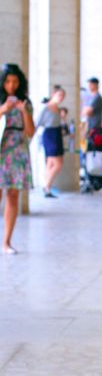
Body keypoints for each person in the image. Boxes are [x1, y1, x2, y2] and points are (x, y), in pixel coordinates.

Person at [0, 63, 36, 254]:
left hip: (18, 151)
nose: (11, 85)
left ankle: (6, 242)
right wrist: (3, 109)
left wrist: (24, 111)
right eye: (7, 81)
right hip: (0, 148)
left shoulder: (26, 103)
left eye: (15, 81)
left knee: (13, 196)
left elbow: (30, 132)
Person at [36, 85, 66, 198]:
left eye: (63, 96)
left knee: (50, 163)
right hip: (49, 135)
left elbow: (61, 124)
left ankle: (47, 187)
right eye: (59, 95)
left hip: (57, 134)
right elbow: (37, 122)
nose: (61, 97)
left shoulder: (58, 109)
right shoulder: (46, 108)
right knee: (58, 163)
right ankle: (47, 186)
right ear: (53, 95)